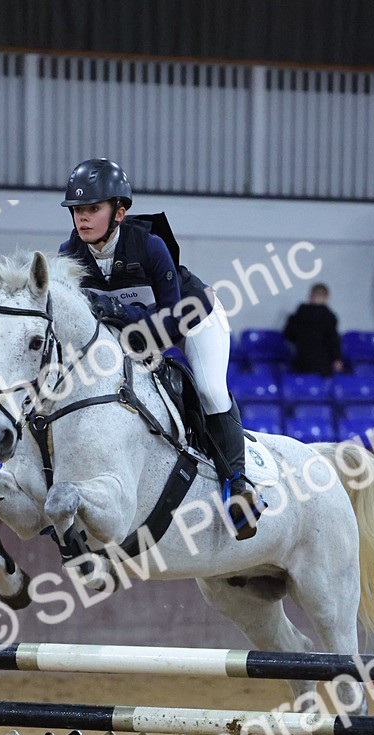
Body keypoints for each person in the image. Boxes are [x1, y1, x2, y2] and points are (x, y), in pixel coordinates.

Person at [58, 157, 264, 540]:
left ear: (119, 212)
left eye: (93, 209)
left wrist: (120, 311)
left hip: (191, 319)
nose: (82, 218)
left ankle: (239, 486)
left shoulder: (150, 246)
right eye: (77, 210)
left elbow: (172, 322)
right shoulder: (70, 254)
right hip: (134, 335)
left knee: (209, 389)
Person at [283, 283, 343, 376]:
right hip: (323, 365)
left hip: (301, 362)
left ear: (310, 296)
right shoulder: (329, 318)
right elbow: (333, 341)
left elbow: (289, 335)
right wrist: (336, 359)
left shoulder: (298, 315)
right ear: (326, 297)